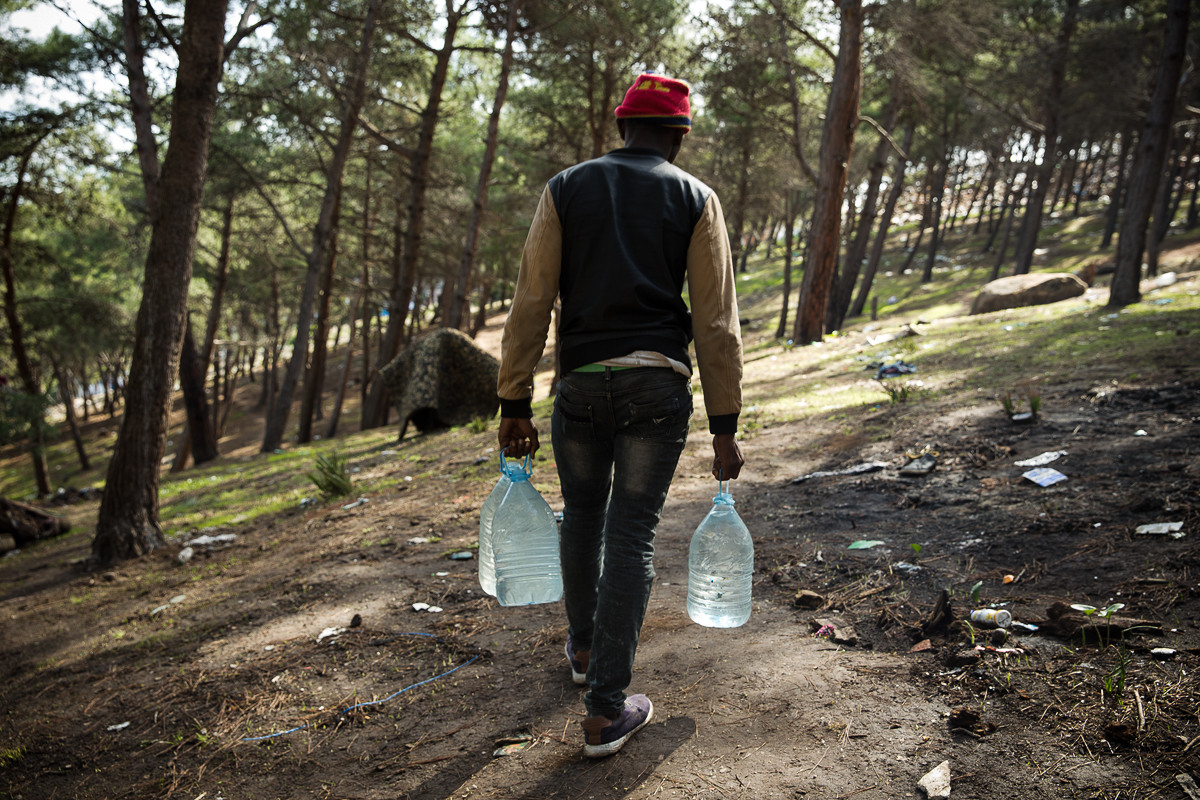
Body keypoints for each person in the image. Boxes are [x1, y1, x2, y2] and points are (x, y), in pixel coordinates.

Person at [496, 72, 744, 758]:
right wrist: (725, 424)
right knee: (630, 535)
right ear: (678, 136)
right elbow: (715, 322)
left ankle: (583, 650)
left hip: (579, 385)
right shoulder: (695, 197)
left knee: (581, 515)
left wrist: (513, 400)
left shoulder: (565, 188)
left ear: (621, 126)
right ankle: (605, 711)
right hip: (656, 388)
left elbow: (531, 299)